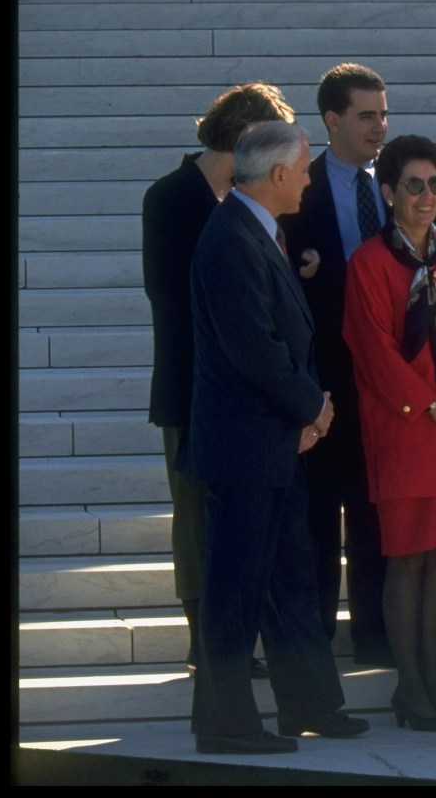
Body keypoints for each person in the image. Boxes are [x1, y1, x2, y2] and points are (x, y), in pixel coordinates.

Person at [188, 121, 368, 754]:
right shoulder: (230, 238)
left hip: (277, 444)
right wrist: (311, 407)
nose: (312, 180)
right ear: (279, 176)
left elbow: (287, 337)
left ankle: (308, 704)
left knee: (291, 576)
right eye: (305, 169)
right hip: (247, 448)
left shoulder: (259, 229)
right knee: (236, 587)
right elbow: (254, 350)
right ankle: (225, 720)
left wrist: (308, 411)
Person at [342, 134, 436, 732]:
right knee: (407, 561)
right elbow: (374, 353)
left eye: (435, 184)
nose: (427, 195)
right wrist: (432, 408)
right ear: (388, 192)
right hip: (407, 430)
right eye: (414, 184)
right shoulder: (368, 263)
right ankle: (409, 688)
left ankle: (434, 685)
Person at [142, 82, 293, 678]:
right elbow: (167, 294)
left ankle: (236, 637)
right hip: (191, 386)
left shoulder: (254, 199)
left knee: (237, 519)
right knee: (194, 518)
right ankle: (203, 643)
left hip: (248, 394)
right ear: (246, 137)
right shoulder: (171, 196)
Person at [280, 62, 392, 666]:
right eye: (366, 116)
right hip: (323, 380)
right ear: (332, 120)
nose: (379, 127)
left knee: (376, 512)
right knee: (321, 515)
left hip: (389, 381)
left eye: (383, 114)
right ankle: (317, 635)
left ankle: (375, 633)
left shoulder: (401, 184)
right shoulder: (299, 189)